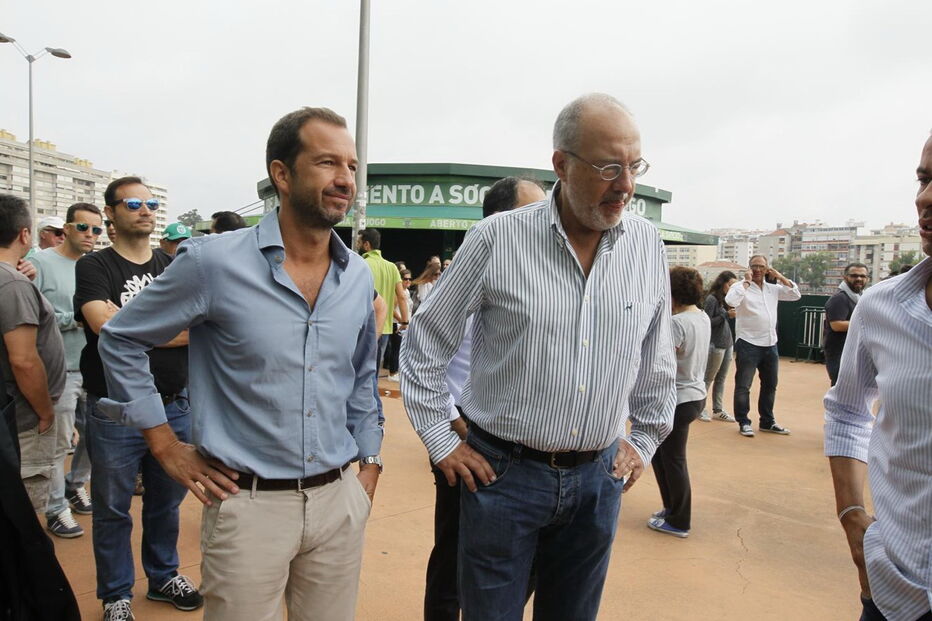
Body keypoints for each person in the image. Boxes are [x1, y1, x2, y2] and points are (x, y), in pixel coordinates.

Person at [97, 107, 381, 621]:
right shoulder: (213, 263)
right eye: (326, 162)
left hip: (339, 501)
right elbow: (120, 339)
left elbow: (361, 377)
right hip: (248, 506)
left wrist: (371, 461)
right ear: (282, 174)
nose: (345, 179)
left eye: (352, 166)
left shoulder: (357, 276)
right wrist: (164, 445)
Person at [401, 93, 675, 621]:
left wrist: (643, 438)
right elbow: (424, 343)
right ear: (561, 164)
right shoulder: (496, 240)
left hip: (598, 481)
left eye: (633, 165)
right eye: (608, 167)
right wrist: (439, 440)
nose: (626, 185)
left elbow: (655, 356)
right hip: (502, 477)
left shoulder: (646, 245)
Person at [74, 176, 200, 620]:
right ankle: (116, 595)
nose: (145, 209)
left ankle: (164, 575)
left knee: (168, 501)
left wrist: (134, 328)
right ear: (110, 212)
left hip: (174, 404)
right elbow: (102, 325)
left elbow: (199, 329)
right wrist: (169, 330)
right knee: (112, 508)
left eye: (150, 203)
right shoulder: (94, 267)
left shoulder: (173, 267)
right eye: (132, 203)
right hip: (116, 410)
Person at [423, 176, 547, 621]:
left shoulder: (536, 278)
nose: (544, 220)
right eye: (531, 210)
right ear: (499, 220)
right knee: (453, 558)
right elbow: (427, 357)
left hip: (519, 453)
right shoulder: (461, 276)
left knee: (521, 561)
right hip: (467, 444)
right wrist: (454, 429)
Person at [824, 133, 932, 621]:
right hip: (893, 589)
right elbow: (847, 410)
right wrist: (853, 520)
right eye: (924, 179)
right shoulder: (882, 306)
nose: (924, 198)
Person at [31, 202, 103, 537]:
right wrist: (73, 318)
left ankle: (76, 485)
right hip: (58, 370)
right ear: (67, 228)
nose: (91, 235)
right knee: (58, 443)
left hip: (94, 366)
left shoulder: (95, 266)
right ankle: (56, 507)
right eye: (84, 228)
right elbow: (30, 315)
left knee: (94, 437)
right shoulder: (39, 263)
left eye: (97, 230)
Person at [0, 194, 66, 516]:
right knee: (23, 512)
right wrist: (45, 412)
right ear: (25, 234)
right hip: (23, 418)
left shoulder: (13, 278)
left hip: (13, 414)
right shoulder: (11, 283)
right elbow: (24, 360)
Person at [647, 267, 710, 538]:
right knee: (662, 456)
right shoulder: (702, 316)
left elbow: (663, 364)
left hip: (678, 399)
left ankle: (680, 520)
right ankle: (671, 508)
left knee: (672, 460)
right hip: (694, 396)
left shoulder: (676, 323)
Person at [724, 255, 800, 437]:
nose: (758, 270)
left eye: (761, 266)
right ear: (748, 268)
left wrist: (780, 276)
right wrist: (746, 283)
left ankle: (767, 421)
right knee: (743, 385)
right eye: (754, 266)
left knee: (770, 384)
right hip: (748, 342)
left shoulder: (773, 289)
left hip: (770, 343)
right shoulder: (740, 287)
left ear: (767, 269)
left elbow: (795, 294)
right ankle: (743, 421)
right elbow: (731, 301)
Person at [357, 227, 410, 373]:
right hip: (385, 327)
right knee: (374, 369)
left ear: (366, 245)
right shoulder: (392, 267)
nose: (357, 246)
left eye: (359, 242)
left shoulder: (360, 264)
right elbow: (402, 296)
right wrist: (405, 321)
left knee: (361, 371)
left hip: (363, 326)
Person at [698, 270, 738, 422]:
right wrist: (727, 315)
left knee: (721, 378)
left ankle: (718, 409)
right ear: (723, 283)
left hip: (727, 344)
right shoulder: (712, 299)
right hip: (716, 345)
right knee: (708, 378)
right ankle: (700, 408)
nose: (732, 288)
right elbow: (707, 322)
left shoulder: (725, 300)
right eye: (730, 285)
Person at [822, 262, 869, 386]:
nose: (859, 279)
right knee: (841, 390)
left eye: (862, 276)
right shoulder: (840, 298)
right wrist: (867, 324)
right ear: (845, 277)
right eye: (854, 275)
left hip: (854, 352)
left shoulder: (860, 297)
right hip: (839, 353)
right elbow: (837, 325)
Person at [385, 268, 413, 383]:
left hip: (404, 324)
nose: (408, 281)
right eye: (405, 279)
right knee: (396, 348)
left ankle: (397, 371)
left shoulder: (406, 292)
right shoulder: (398, 292)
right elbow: (391, 308)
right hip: (396, 324)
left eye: (410, 279)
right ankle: (393, 372)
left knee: (401, 348)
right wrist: (402, 320)